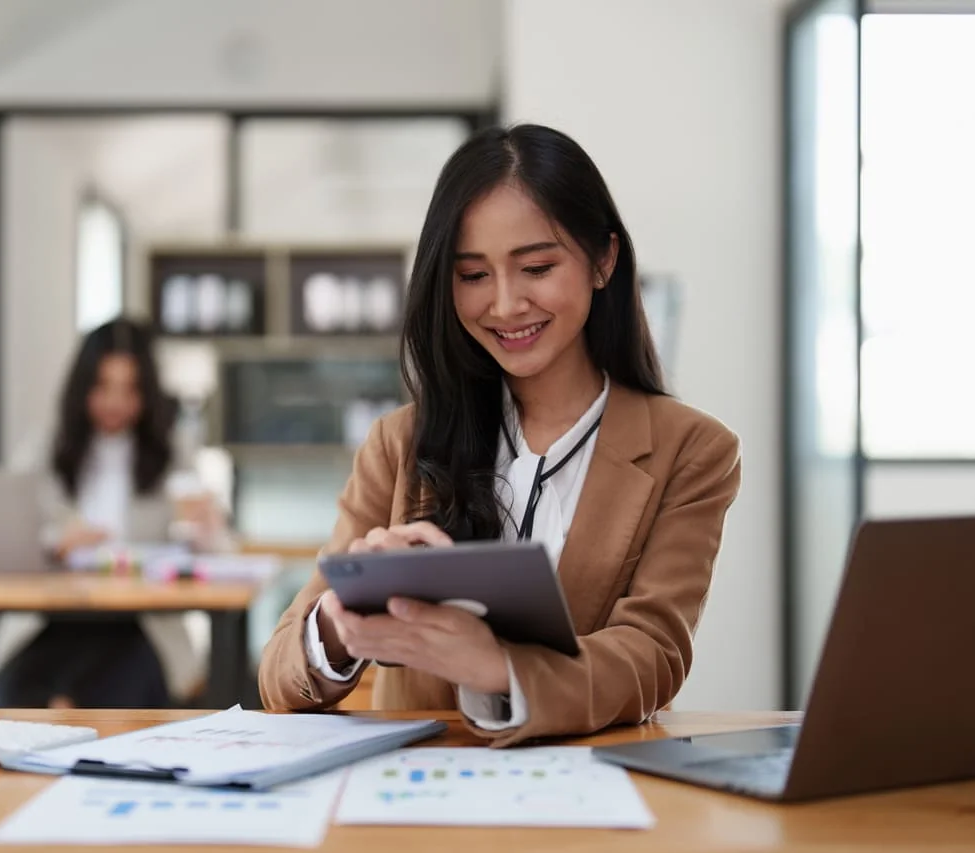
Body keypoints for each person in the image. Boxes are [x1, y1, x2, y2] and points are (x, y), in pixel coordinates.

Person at [258, 124, 741, 746]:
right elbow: (278, 678)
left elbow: (653, 655)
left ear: (603, 260)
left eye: (536, 267)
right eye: (473, 275)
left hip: (586, 798)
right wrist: (336, 626)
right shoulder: (399, 443)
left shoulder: (693, 451)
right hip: (419, 802)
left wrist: (497, 669)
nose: (506, 304)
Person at [0, 318, 228, 708]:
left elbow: (216, 554)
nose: (115, 403)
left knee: (116, 689)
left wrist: (207, 530)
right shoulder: (45, 448)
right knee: (12, 695)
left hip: (138, 623)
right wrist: (55, 544)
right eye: (103, 387)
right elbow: (3, 538)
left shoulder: (173, 453)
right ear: (82, 387)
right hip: (53, 620)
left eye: (129, 390)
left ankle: (67, 716)